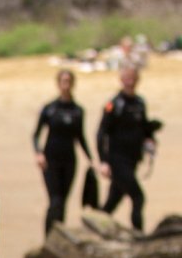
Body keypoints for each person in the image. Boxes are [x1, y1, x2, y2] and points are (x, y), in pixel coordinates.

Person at [33, 69, 94, 235]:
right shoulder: (49, 108)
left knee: (64, 201)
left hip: (69, 161)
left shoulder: (78, 110)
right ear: (58, 84)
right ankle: (48, 236)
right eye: (63, 81)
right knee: (55, 200)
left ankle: (59, 236)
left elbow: (81, 137)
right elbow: (36, 135)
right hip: (50, 160)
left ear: (73, 84)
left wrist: (91, 160)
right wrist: (38, 153)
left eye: (69, 81)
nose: (66, 85)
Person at [98, 65, 155, 232]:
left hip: (133, 160)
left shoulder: (140, 103)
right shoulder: (114, 104)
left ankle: (93, 228)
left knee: (113, 200)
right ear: (121, 80)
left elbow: (143, 128)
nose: (130, 82)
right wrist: (103, 162)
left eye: (133, 78)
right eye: (127, 78)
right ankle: (140, 237)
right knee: (138, 197)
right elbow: (101, 134)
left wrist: (151, 134)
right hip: (117, 159)